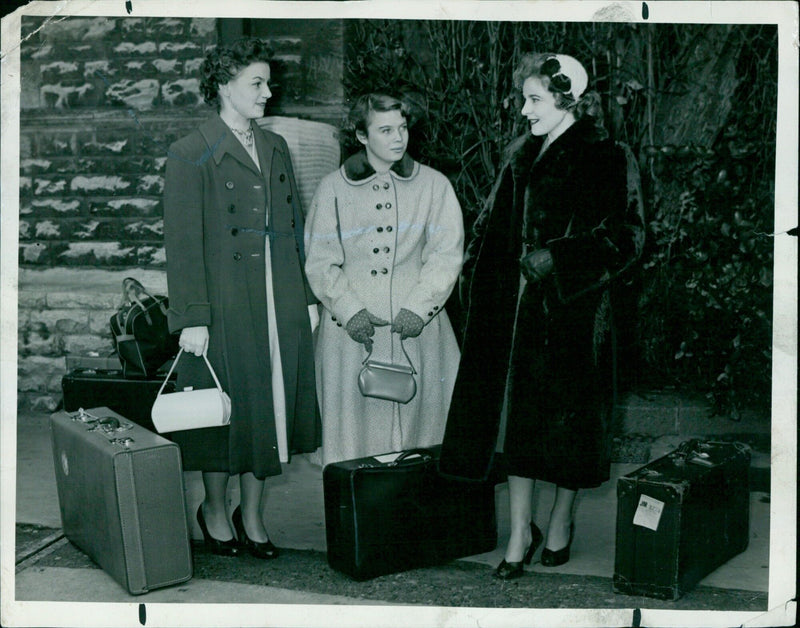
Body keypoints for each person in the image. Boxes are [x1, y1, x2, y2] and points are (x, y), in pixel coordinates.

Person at [439, 53, 644, 579]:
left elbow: (627, 236)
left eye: (535, 100)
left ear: (566, 100)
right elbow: (489, 229)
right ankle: (518, 534)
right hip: (517, 319)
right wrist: (476, 282)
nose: (524, 111)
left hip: (575, 317)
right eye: (525, 99)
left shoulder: (607, 154)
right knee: (519, 431)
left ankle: (560, 523)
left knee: (570, 431)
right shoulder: (519, 155)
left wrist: (560, 256)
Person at [163, 37, 321, 559]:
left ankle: (250, 514)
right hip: (225, 302)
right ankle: (213, 509)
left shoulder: (274, 146)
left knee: (268, 405)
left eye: (267, 82)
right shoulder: (190, 153)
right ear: (223, 85)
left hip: (278, 296)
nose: (268, 93)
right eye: (257, 82)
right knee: (225, 409)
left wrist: (306, 297)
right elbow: (182, 244)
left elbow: (293, 227)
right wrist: (192, 317)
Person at [304, 93, 464, 465]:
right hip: (352, 336)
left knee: (424, 441)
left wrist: (420, 307)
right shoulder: (333, 188)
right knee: (356, 444)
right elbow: (320, 260)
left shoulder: (435, 185)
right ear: (361, 135)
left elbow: (446, 254)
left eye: (403, 128)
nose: (398, 138)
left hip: (420, 332)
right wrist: (348, 309)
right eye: (386, 130)